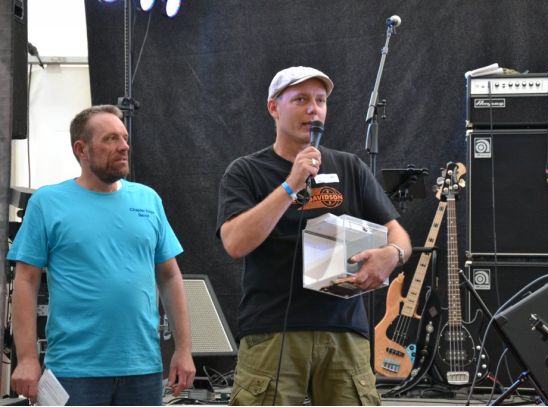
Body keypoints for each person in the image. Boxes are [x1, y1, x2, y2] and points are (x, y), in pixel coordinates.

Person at [216, 66, 412, 405]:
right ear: (273, 107)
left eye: (320, 101)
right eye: (301, 100)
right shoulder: (246, 171)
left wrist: (392, 254)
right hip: (273, 332)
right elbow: (235, 243)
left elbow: (399, 234)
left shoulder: (349, 166)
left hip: (344, 332)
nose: (313, 109)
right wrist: (291, 184)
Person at [8, 105, 196, 405]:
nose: (124, 146)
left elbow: (170, 275)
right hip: (74, 371)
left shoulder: (148, 199)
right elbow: (26, 280)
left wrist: (184, 349)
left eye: (124, 138)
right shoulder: (48, 202)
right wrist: (27, 358)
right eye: (110, 139)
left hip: (143, 369)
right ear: (81, 149)